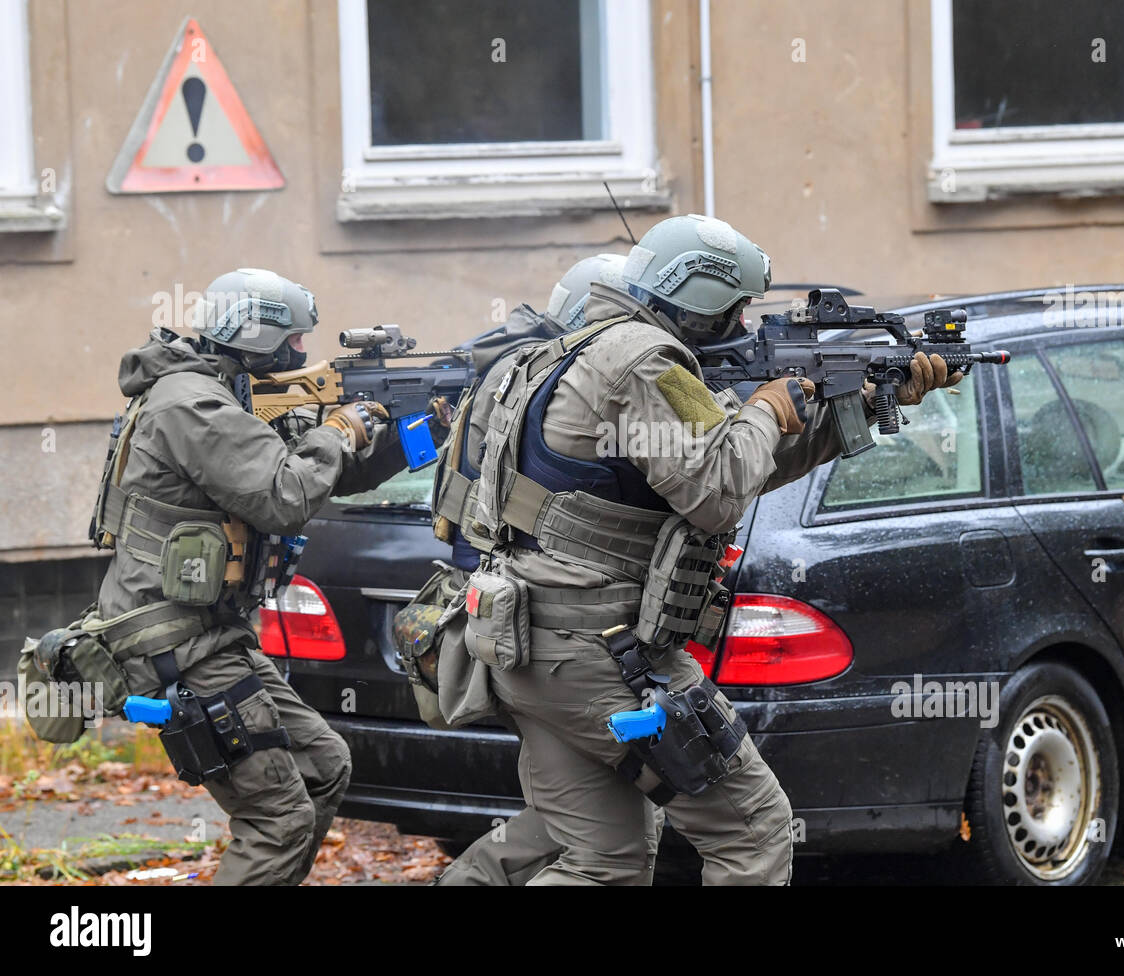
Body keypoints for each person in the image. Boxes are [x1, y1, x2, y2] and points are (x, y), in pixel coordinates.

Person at [437, 214, 961, 884]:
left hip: (531, 648)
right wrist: (766, 409)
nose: (744, 327)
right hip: (607, 654)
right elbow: (717, 492)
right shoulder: (644, 360)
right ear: (702, 297)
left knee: (605, 859)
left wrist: (854, 407)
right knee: (754, 831)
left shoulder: (574, 351)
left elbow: (729, 470)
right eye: (737, 309)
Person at [74, 269, 402, 885]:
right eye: (295, 340)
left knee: (322, 766)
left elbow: (320, 476)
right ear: (259, 338)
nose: (303, 352)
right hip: (174, 642)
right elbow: (283, 495)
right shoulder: (195, 405)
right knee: (276, 818)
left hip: (212, 635)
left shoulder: (228, 394)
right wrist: (338, 429)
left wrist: (412, 435)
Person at [395, 253, 664, 885]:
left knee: (572, 822)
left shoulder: (516, 372)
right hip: (532, 622)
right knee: (610, 839)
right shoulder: (555, 387)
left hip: (502, 618)